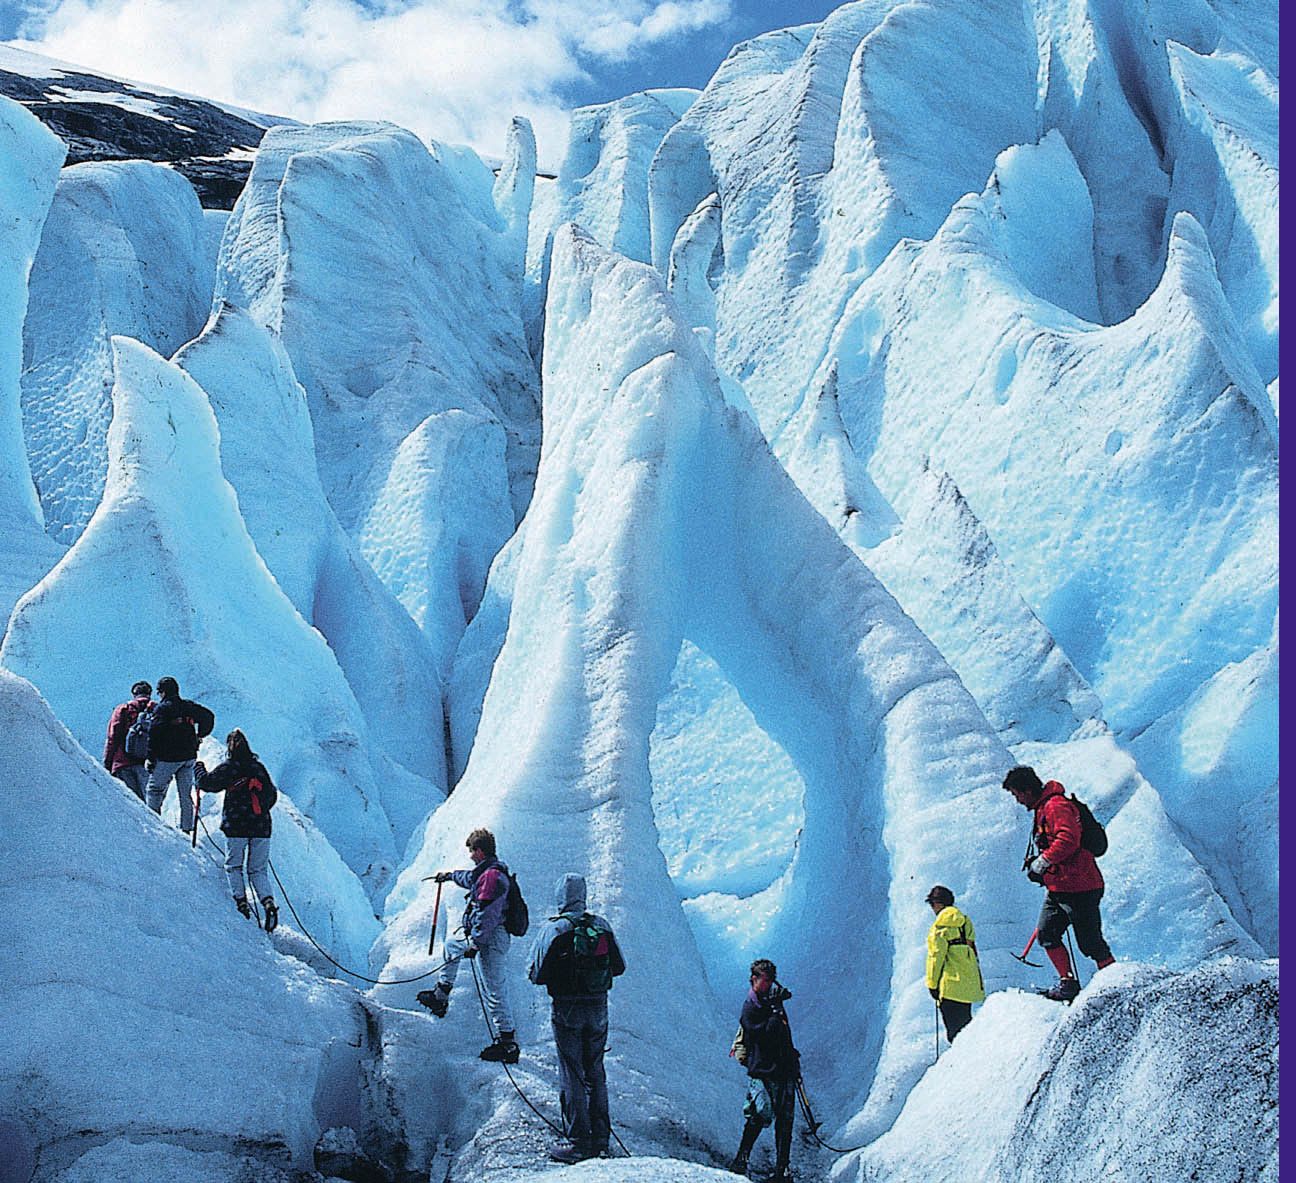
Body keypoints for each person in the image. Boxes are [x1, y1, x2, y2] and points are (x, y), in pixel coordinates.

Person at [527, 873, 626, 1164]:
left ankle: (578, 1142)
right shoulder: (601, 925)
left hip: (567, 1008)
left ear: (561, 896)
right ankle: (601, 1139)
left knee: (572, 1072)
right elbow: (619, 967)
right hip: (599, 1008)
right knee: (595, 1069)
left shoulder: (554, 929)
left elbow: (536, 973)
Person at [1004, 765, 1115, 1002]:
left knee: (1090, 942)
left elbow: (1068, 839)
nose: (1018, 800)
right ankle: (1068, 983)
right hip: (1060, 887)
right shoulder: (1043, 807)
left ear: (1027, 790)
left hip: (1081, 886)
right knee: (1047, 933)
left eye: (1017, 794)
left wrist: (1043, 862)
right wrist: (1043, 865)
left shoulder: (1056, 806)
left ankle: (1115, 981)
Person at [416, 828, 519, 1062]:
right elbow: (469, 879)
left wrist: (475, 941)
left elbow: (488, 912)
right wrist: (449, 876)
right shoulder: (485, 874)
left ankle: (508, 1043)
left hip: (491, 938)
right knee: (452, 945)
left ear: (479, 851)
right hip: (487, 936)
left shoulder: (492, 877)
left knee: (494, 988)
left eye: (472, 852)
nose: (471, 856)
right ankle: (441, 995)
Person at [195, 730, 280, 931]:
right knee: (258, 869)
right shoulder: (258, 768)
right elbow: (272, 794)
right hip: (261, 825)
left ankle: (241, 903)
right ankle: (267, 902)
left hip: (236, 825)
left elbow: (207, 783)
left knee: (234, 866)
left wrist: (198, 769)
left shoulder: (230, 768)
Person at [731, 958, 797, 1182]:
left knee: (785, 1121)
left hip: (783, 1070)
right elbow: (764, 1035)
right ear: (754, 979)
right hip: (763, 1071)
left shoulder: (769, 1003)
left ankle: (782, 1170)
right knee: (759, 1116)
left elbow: (784, 1036)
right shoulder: (750, 1008)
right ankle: (741, 1159)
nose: (769, 985)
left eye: (771, 981)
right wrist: (776, 1009)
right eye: (765, 980)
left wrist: (792, 1061)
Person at [144, 676, 214, 833]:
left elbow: (154, 735)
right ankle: (186, 828)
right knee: (185, 793)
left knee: (154, 790)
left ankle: (153, 825)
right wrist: (199, 736)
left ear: (162, 692)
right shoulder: (188, 706)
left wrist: (150, 758)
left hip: (168, 758)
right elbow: (209, 717)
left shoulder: (162, 709)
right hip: (189, 756)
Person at [924, 885, 984, 1041]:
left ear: (938, 904)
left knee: (954, 1034)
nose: (932, 908)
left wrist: (932, 985)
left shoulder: (939, 927)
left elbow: (936, 957)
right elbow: (972, 948)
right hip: (968, 983)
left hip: (950, 986)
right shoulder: (965, 921)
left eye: (932, 904)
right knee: (966, 1028)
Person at [103, 680, 153, 800]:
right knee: (151, 807)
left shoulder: (123, 709)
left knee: (132, 806)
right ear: (149, 694)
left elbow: (112, 737)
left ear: (134, 694)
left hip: (122, 763)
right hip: (148, 764)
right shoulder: (156, 709)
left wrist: (108, 763)